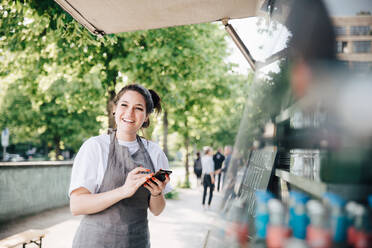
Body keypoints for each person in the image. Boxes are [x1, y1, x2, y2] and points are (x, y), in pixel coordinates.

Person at [69, 84, 172, 248]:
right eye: (124, 105)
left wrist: (157, 193)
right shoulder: (95, 147)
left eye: (138, 108)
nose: (130, 113)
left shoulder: (155, 152)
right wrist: (124, 190)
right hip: (94, 242)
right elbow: (77, 205)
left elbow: (157, 210)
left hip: (137, 242)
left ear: (146, 117)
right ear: (115, 108)